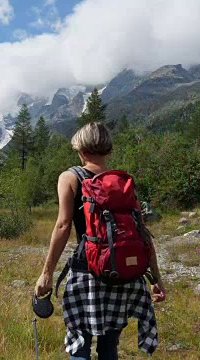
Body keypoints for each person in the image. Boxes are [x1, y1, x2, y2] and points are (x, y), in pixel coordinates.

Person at [34, 122, 166, 359]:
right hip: (124, 274)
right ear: (108, 149)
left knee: (79, 343)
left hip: (88, 273)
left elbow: (63, 225)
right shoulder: (122, 182)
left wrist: (47, 273)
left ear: (81, 150)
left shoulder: (70, 177)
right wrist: (155, 278)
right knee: (109, 347)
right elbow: (142, 232)